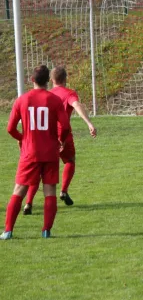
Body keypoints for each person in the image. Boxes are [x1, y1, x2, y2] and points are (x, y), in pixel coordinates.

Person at [2, 65, 71, 240]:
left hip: (29, 153)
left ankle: (8, 231)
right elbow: (65, 126)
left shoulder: (22, 100)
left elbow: (10, 128)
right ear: (48, 81)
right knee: (50, 191)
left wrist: (22, 138)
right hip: (50, 153)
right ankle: (46, 230)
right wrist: (60, 141)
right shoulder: (54, 100)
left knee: (19, 190)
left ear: (32, 80)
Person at [23, 66, 97, 215]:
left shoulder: (47, 94)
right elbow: (76, 105)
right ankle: (63, 191)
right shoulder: (69, 93)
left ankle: (28, 203)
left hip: (46, 136)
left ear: (51, 80)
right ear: (66, 78)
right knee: (70, 160)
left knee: (38, 170)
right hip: (63, 134)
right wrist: (89, 123)